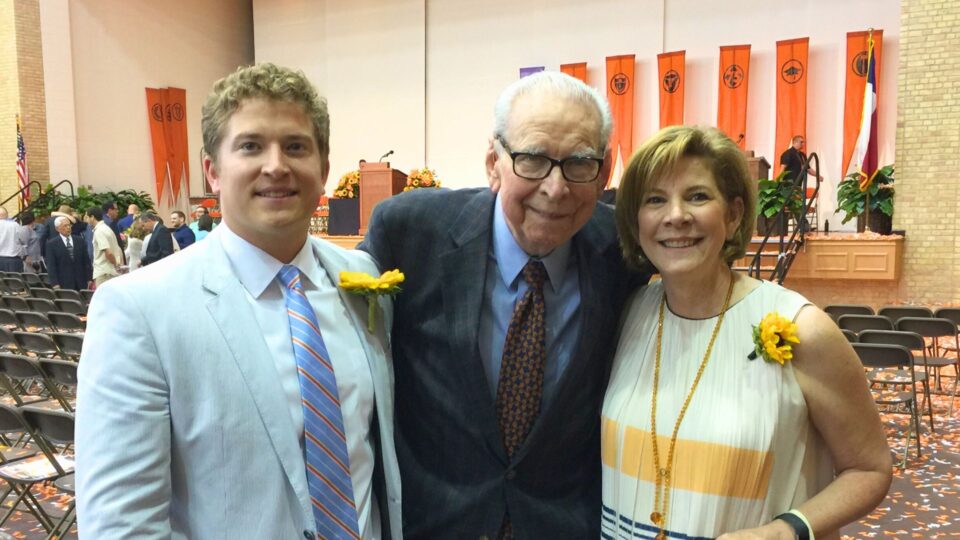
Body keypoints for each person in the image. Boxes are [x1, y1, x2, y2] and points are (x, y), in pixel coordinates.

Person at [77, 62, 402, 539]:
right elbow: (121, 527)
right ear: (213, 171)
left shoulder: (362, 278)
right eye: (251, 146)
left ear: (324, 170)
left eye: (296, 146)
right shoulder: (138, 311)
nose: (276, 165)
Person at [361, 71, 647, 539]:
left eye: (579, 164)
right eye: (532, 160)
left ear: (606, 168)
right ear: (494, 162)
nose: (556, 189)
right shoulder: (409, 234)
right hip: (434, 524)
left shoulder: (622, 252)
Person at [602, 125, 891, 539]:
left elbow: (870, 468)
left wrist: (786, 530)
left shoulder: (799, 329)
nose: (676, 215)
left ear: (734, 214)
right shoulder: (630, 314)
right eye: (655, 200)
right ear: (636, 219)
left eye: (697, 196)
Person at [44, 215, 92, 290]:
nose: (68, 228)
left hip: (81, 282)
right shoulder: (52, 244)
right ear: (57, 229)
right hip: (64, 283)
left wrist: (89, 278)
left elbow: (86, 261)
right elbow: (51, 266)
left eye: (69, 225)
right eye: (65, 226)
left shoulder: (80, 240)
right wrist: (55, 283)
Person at [85, 207, 122, 286]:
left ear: (92, 217)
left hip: (104, 273)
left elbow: (108, 253)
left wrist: (116, 265)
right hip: (108, 271)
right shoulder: (106, 228)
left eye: (87, 217)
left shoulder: (99, 231)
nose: (86, 219)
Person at [0, 207, 26, 272]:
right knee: (14, 281)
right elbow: (23, 240)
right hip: (13, 260)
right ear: (7, 215)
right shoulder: (14, 225)